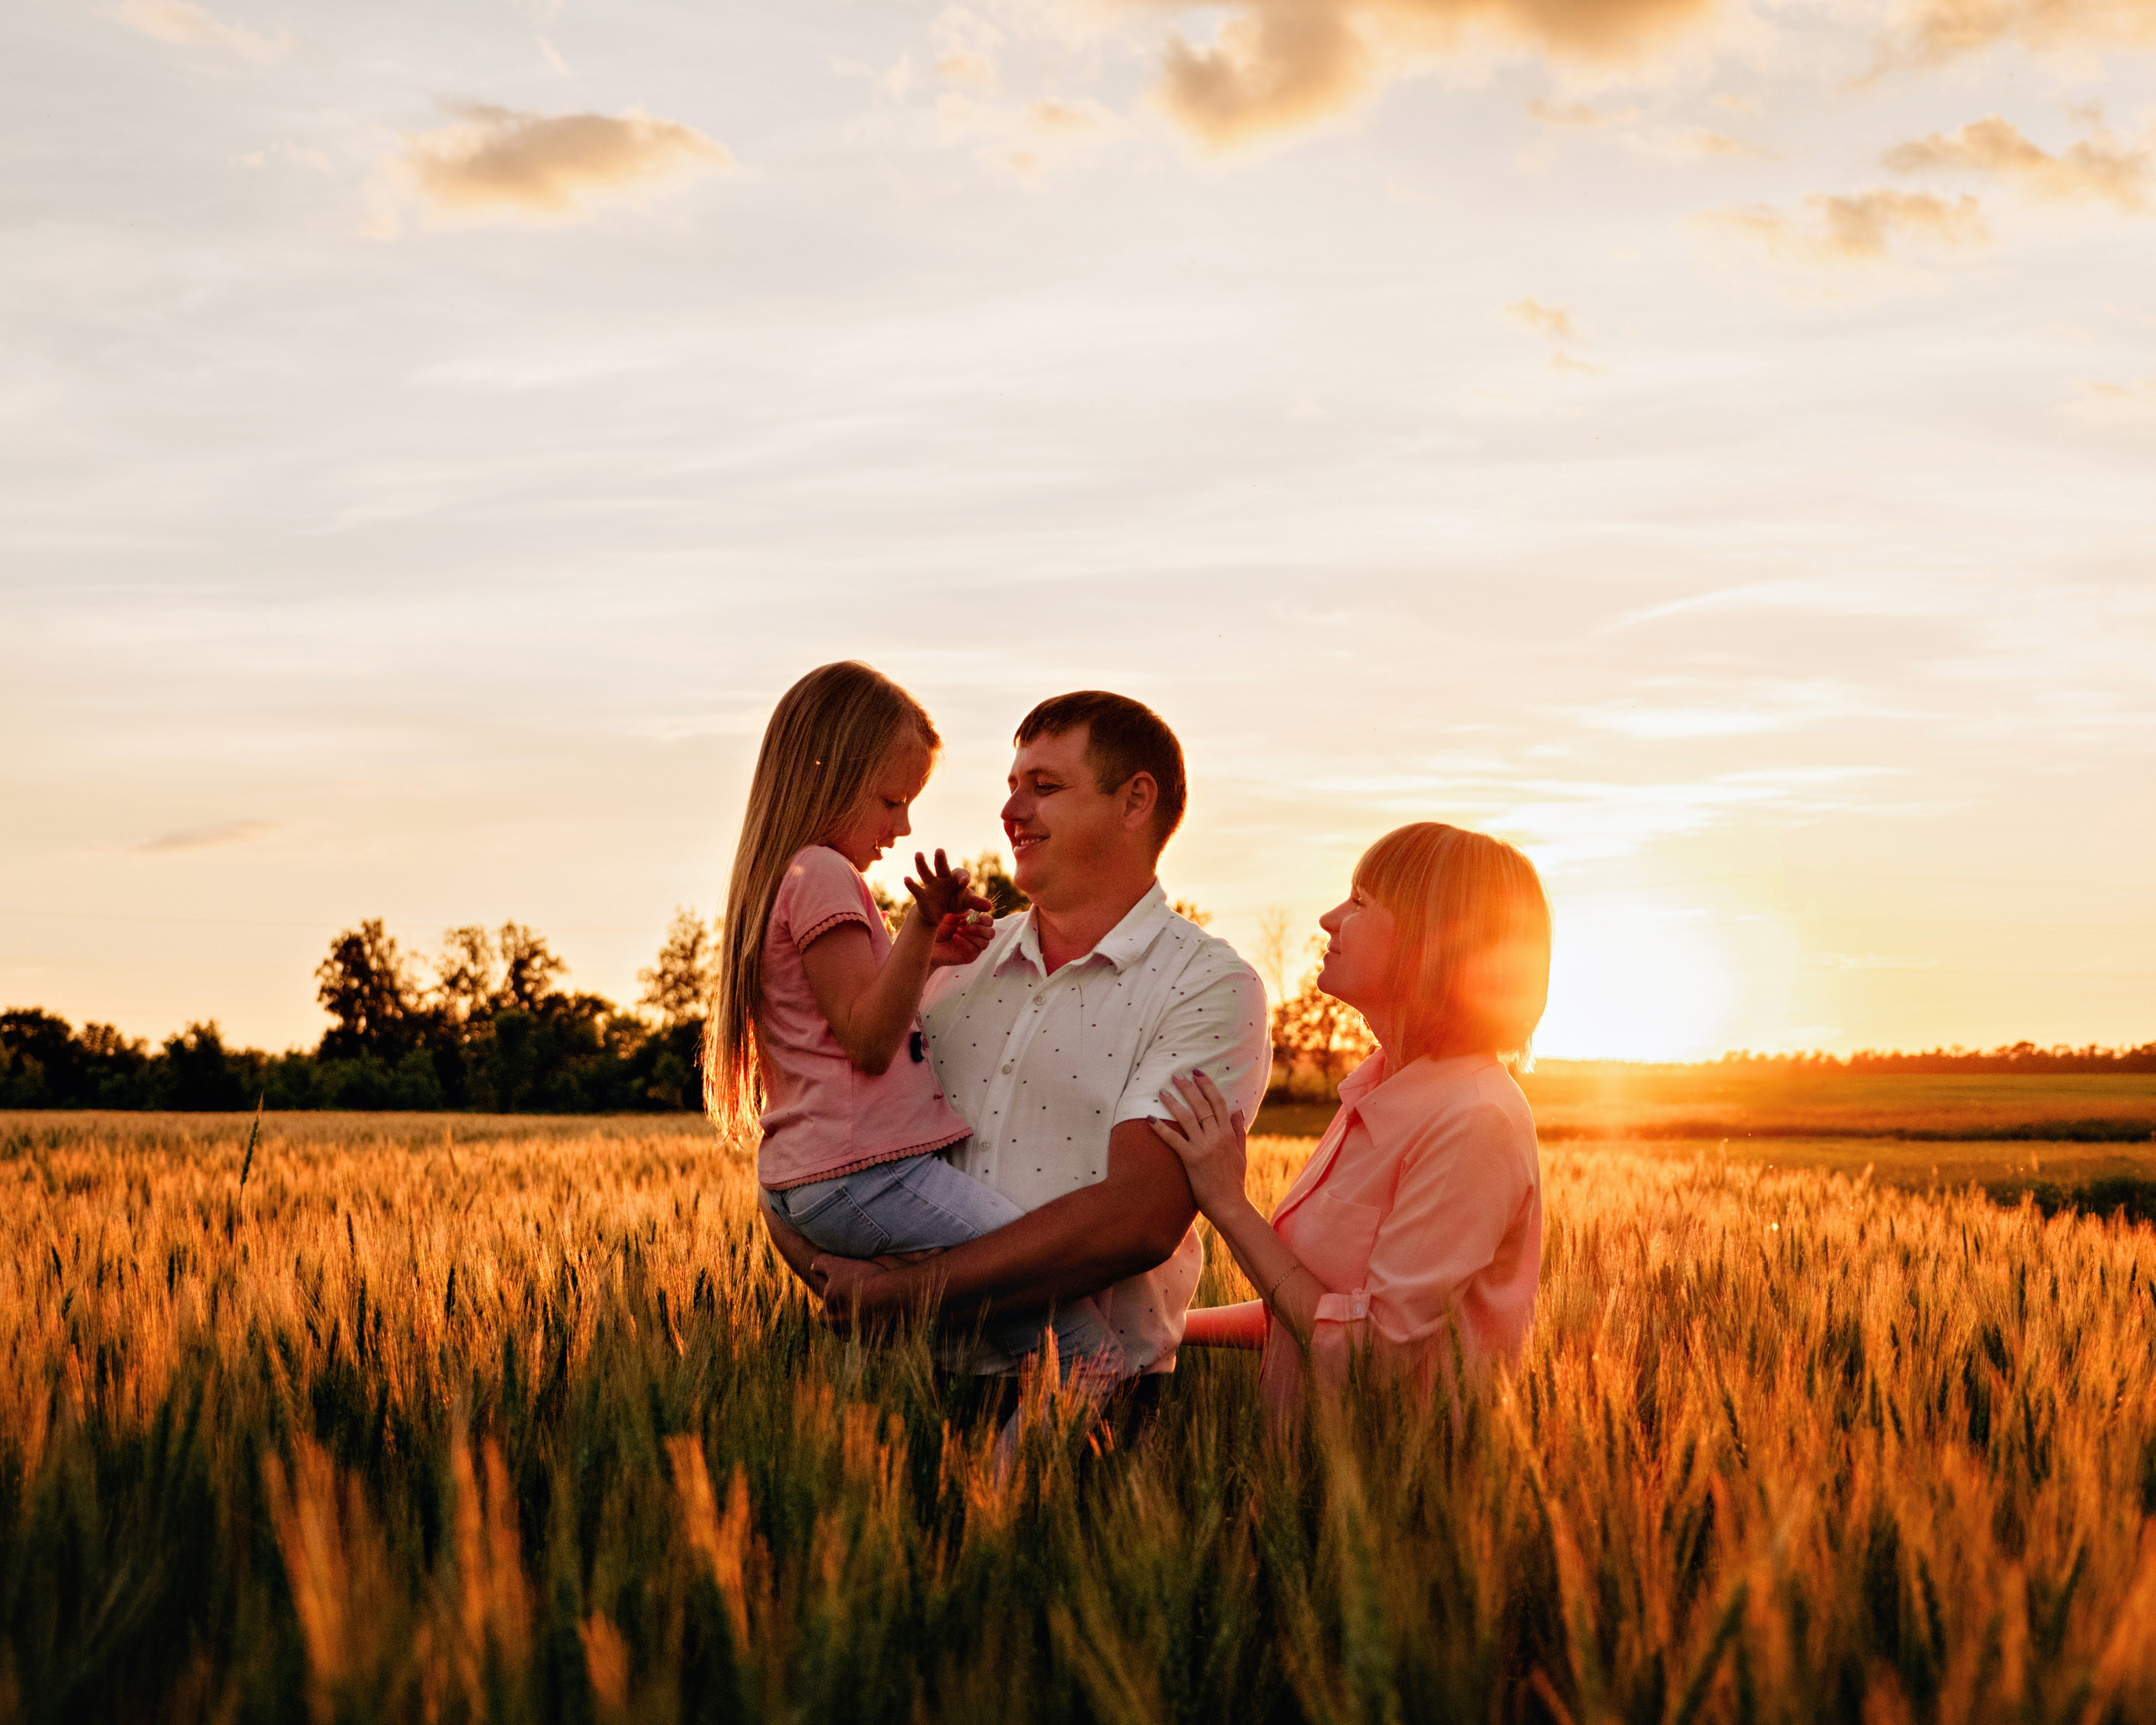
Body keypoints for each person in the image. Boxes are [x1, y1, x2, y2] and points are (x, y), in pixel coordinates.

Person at [770, 690, 1271, 1410]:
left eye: (1045, 787)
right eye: (1011, 788)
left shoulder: (1207, 985)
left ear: (1135, 802)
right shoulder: (947, 965)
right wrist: (827, 1273)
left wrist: (899, 1296)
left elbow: (1136, 1221)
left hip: (1084, 1406)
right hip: (894, 1394)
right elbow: (820, 1141)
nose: (1010, 812)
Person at [707, 660, 1124, 1375]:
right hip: (869, 1176)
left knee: (988, 1346)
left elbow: (844, 1019)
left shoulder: (795, 877)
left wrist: (924, 952)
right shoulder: (826, 873)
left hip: (821, 1179)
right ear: (830, 775)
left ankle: (982, 1471)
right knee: (1084, 1353)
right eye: (891, 801)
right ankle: (1005, 1490)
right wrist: (917, 926)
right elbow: (869, 1041)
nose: (901, 829)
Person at [1150, 822, 1550, 1423]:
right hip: (1311, 1488)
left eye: (1360, 901)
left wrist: (1228, 1204)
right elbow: (1312, 1310)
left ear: (1430, 939)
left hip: (1390, 1501)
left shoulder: (1474, 1120)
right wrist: (1162, 1328)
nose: (1329, 919)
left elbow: (1370, 1354)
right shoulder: (1380, 1087)